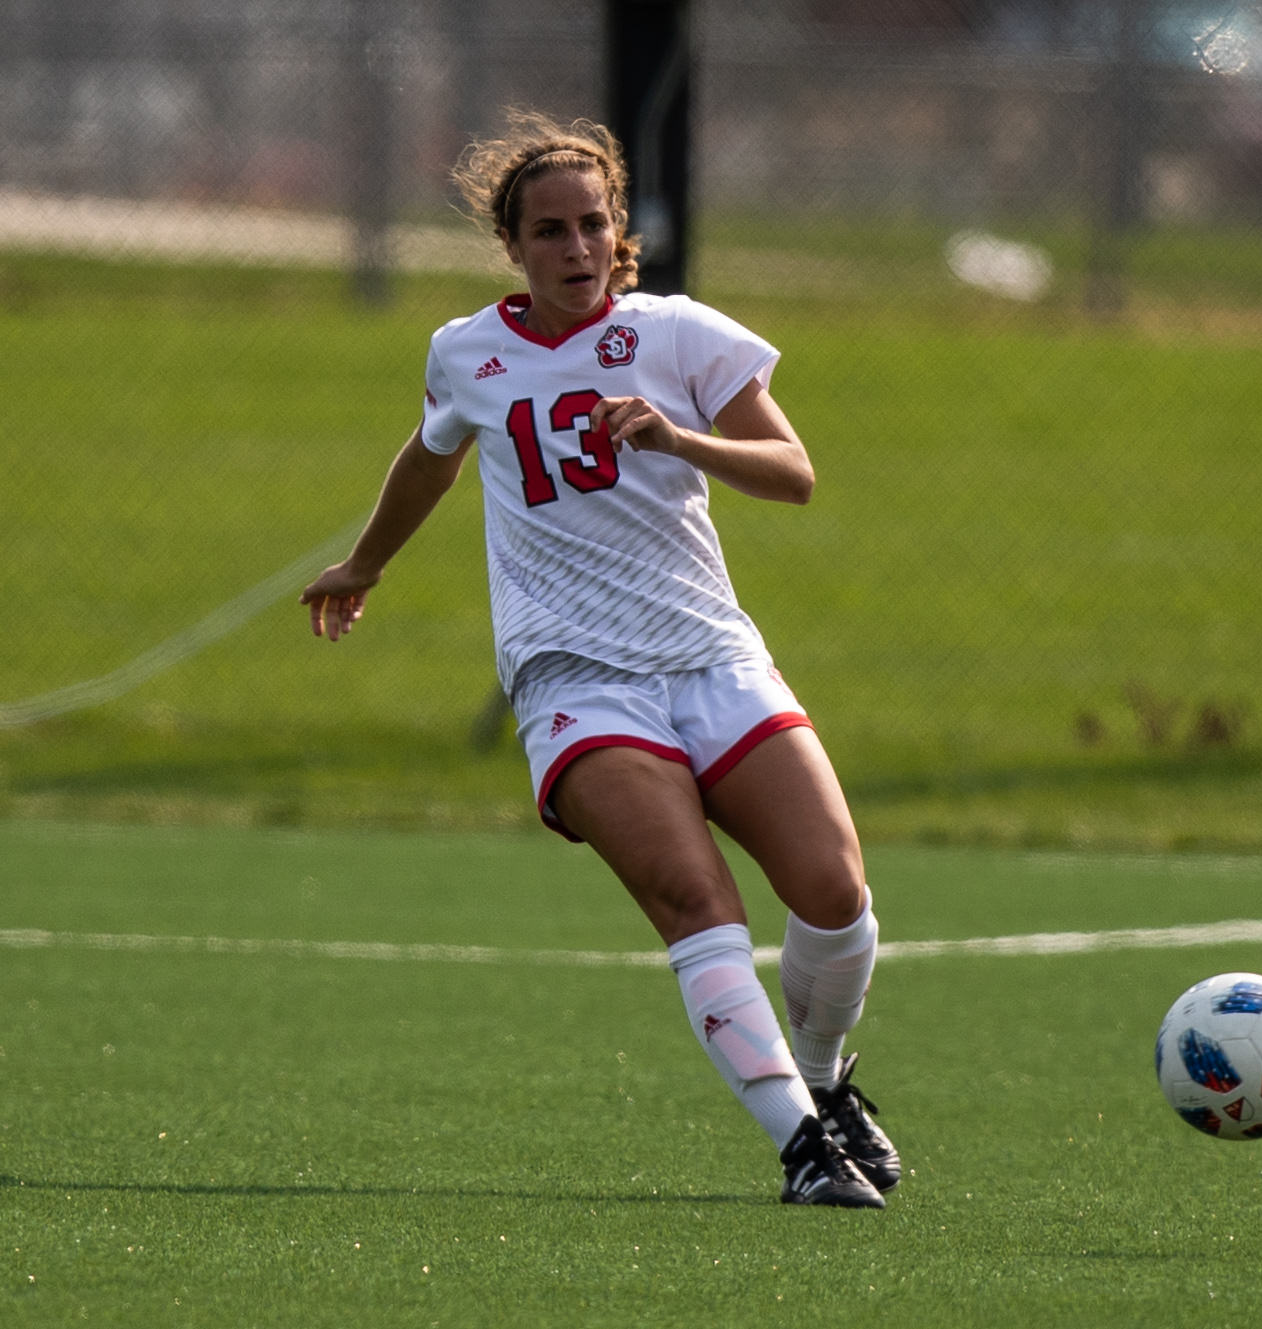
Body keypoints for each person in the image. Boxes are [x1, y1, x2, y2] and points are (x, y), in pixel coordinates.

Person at [299, 110, 897, 1209]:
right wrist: (363, 564)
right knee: (691, 896)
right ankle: (801, 1150)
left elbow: (791, 470)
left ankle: (824, 1089)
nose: (575, 248)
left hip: (709, 656)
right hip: (575, 677)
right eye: (549, 231)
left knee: (835, 893)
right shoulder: (465, 352)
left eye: (593, 224)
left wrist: (679, 437)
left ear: (619, 230)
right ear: (514, 246)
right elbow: (431, 457)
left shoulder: (677, 335)